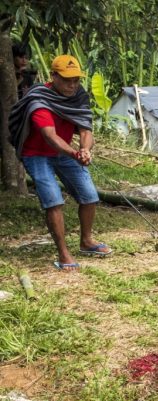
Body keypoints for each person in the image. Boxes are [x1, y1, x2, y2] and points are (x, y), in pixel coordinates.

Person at [8, 54, 112, 271]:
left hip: (65, 152)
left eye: (76, 80)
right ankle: (63, 253)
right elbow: (50, 137)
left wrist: (85, 149)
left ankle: (86, 241)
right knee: (53, 200)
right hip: (36, 154)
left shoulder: (78, 95)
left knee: (89, 196)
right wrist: (75, 153)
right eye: (66, 80)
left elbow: (85, 128)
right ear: (53, 76)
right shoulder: (39, 100)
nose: (72, 85)